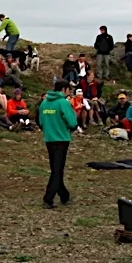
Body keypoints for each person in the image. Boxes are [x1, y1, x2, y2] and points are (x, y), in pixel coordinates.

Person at [38, 79, 79, 208]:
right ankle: (48, 199)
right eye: (69, 89)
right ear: (64, 89)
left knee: (56, 168)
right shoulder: (63, 102)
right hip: (61, 139)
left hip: (49, 139)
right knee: (57, 171)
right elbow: (72, 122)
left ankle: (64, 195)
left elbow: (40, 121)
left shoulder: (44, 103)